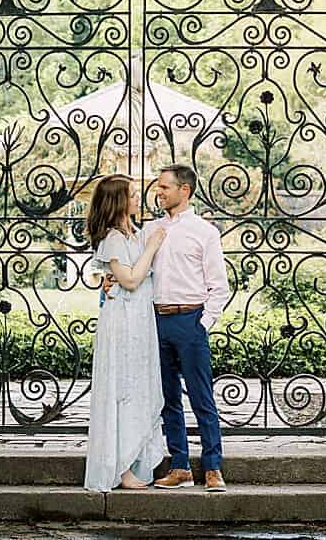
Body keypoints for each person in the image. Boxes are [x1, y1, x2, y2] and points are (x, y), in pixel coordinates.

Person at [139, 164, 230, 492]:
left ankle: (213, 468)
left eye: (165, 187)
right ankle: (179, 467)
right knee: (168, 399)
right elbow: (137, 272)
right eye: (159, 187)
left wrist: (202, 325)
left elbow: (219, 285)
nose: (159, 192)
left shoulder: (205, 232)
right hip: (158, 321)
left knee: (202, 398)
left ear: (185, 190)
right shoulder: (150, 230)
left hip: (191, 321)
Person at [82, 174, 167, 491]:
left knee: (138, 387)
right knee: (123, 388)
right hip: (122, 321)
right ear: (118, 201)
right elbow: (130, 280)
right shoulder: (113, 238)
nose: (137, 198)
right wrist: (153, 248)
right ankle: (119, 467)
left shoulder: (133, 234)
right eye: (131, 194)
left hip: (139, 319)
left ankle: (133, 458)